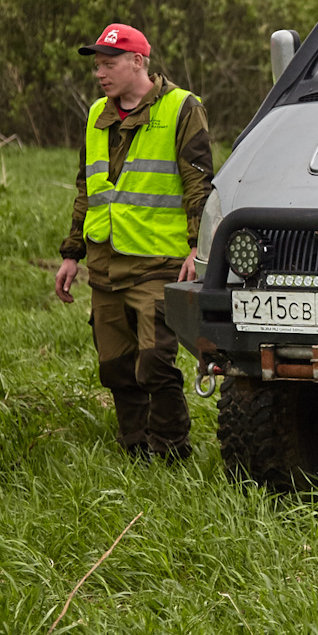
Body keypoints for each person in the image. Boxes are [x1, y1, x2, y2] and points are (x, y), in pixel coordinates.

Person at [55, 23, 214, 460]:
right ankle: (135, 449)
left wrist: (197, 248)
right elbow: (88, 188)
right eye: (97, 66)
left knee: (155, 365)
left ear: (138, 62)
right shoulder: (96, 114)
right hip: (105, 264)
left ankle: (170, 451)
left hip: (158, 262)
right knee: (116, 367)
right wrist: (73, 254)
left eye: (109, 64)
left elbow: (199, 183)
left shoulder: (183, 108)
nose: (100, 74)